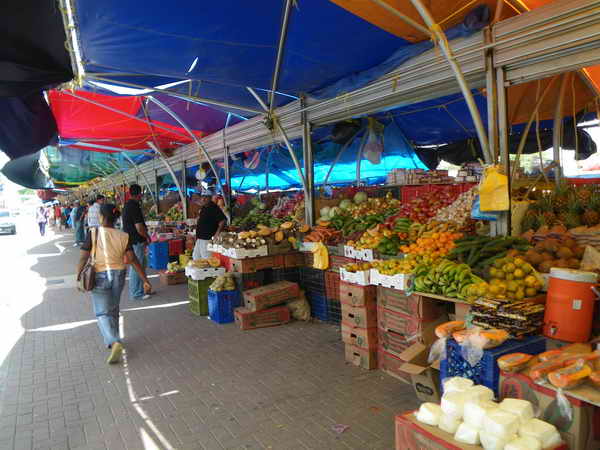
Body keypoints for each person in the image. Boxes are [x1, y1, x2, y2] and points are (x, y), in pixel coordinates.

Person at [76, 204, 152, 364]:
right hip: (119, 274)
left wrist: (78, 276)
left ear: (101, 217)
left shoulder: (94, 232)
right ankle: (115, 339)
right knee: (114, 308)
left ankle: (113, 340)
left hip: (100, 275)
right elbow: (132, 258)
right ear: (116, 218)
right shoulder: (123, 235)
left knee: (102, 313)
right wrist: (145, 280)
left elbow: (83, 257)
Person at [122, 184, 152, 301]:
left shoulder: (127, 205)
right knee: (136, 266)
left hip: (131, 239)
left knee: (141, 265)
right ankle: (136, 293)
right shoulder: (134, 206)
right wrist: (147, 237)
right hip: (136, 240)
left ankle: (143, 288)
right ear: (139, 194)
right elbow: (139, 227)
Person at [193, 193, 226, 259]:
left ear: (210, 198)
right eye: (202, 197)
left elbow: (223, 220)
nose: (203, 199)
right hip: (200, 238)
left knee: (206, 258)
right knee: (196, 257)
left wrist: (217, 233)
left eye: (206, 197)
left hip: (207, 238)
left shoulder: (214, 207)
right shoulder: (204, 207)